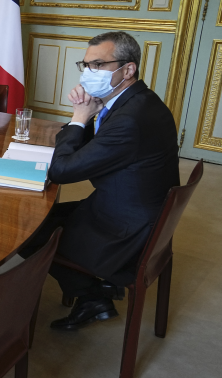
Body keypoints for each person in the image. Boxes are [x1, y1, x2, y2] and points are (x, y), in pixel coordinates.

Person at [19, 31, 179, 331]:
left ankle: (92, 296)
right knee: (43, 217)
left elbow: (62, 171)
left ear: (128, 69)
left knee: (27, 232)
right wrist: (89, 116)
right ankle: (94, 291)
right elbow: (93, 149)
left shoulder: (129, 119)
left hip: (126, 226)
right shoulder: (137, 100)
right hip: (129, 205)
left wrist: (79, 117)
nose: (89, 74)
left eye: (98, 65)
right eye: (86, 65)